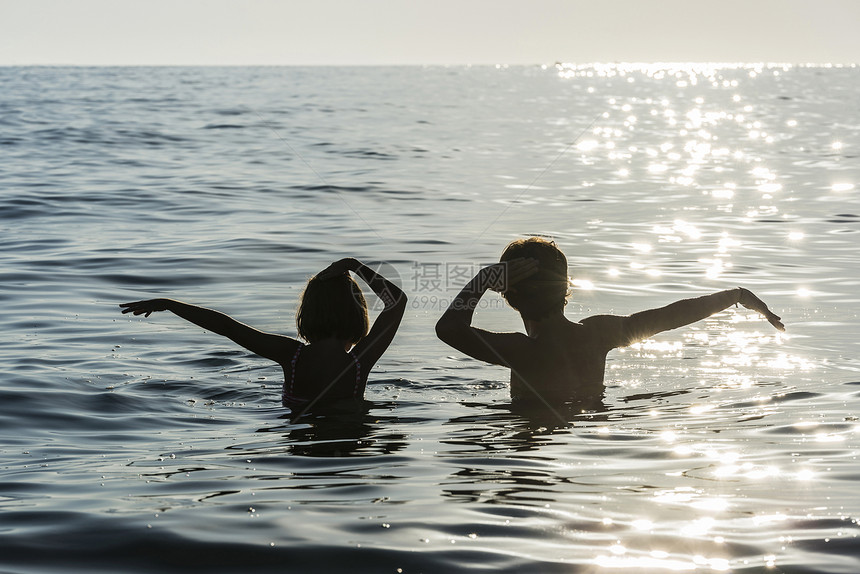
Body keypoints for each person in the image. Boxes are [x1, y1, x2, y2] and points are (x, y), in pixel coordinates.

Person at [435, 237, 784, 406]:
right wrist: (737, 295)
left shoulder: (521, 351)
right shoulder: (599, 334)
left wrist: (480, 280)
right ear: (566, 288)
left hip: (531, 435)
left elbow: (449, 329)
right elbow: (673, 316)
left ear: (507, 296)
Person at [120, 258, 406, 414]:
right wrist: (353, 264)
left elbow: (227, 326)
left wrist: (170, 304)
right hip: (348, 434)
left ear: (309, 313)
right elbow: (398, 300)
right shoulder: (359, 362)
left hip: (295, 434)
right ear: (357, 314)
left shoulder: (291, 355)